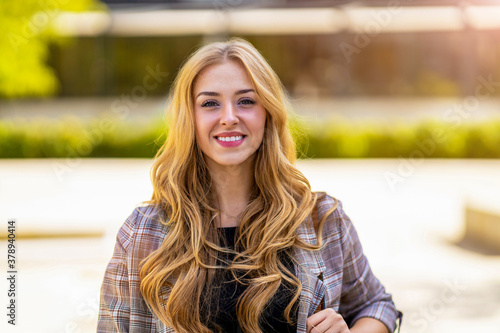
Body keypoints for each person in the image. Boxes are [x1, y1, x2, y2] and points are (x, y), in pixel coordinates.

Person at [97, 37, 401, 333]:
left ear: (267, 113)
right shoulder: (143, 233)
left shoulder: (322, 219)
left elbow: (377, 305)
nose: (229, 118)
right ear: (189, 117)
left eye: (246, 101)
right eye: (210, 103)